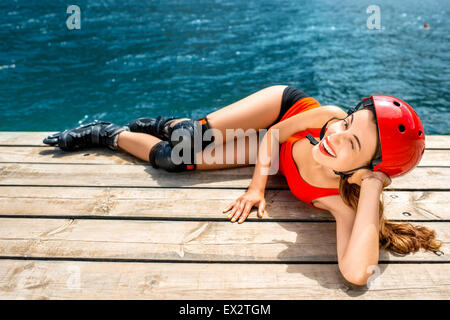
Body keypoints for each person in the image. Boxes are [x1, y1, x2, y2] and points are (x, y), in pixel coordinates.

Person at [43, 85, 442, 286]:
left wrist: (372, 188)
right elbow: (273, 136)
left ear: (362, 173)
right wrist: (257, 189)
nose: (338, 134)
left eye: (352, 143)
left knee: (172, 160)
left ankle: (104, 134)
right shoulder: (328, 118)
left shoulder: (343, 201)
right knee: (190, 139)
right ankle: (173, 124)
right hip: (282, 110)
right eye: (350, 123)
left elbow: (357, 273)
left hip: (281, 156)